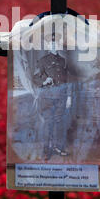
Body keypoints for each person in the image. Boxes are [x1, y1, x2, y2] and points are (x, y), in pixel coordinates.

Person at [33, 32, 72, 160]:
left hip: (61, 97)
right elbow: (35, 77)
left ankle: (57, 147)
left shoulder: (63, 61)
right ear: (48, 46)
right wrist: (44, 81)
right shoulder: (43, 61)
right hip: (48, 97)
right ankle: (46, 150)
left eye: (56, 43)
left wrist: (69, 97)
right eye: (51, 43)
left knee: (59, 123)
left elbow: (67, 80)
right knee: (48, 123)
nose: (54, 45)